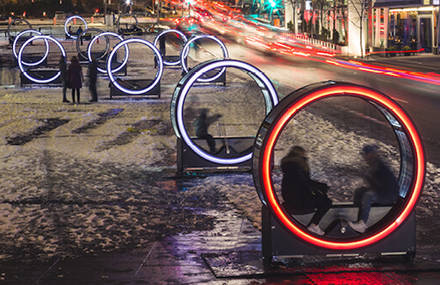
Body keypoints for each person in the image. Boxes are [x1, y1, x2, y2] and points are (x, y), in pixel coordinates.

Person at [281, 146, 332, 236]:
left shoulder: (289, 167)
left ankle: (314, 225)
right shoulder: (297, 166)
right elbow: (304, 182)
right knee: (326, 202)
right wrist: (321, 187)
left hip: (291, 198)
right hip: (299, 200)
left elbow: (302, 183)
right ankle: (314, 225)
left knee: (322, 199)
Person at [348, 144, 399, 233]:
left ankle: (362, 223)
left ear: (371, 154)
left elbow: (381, 185)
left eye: (365, 154)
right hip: (382, 192)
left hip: (388, 196)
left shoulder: (379, 167)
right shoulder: (373, 165)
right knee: (359, 191)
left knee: (368, 195)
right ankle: (356, 215)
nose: (364, 157)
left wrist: (367, 177)